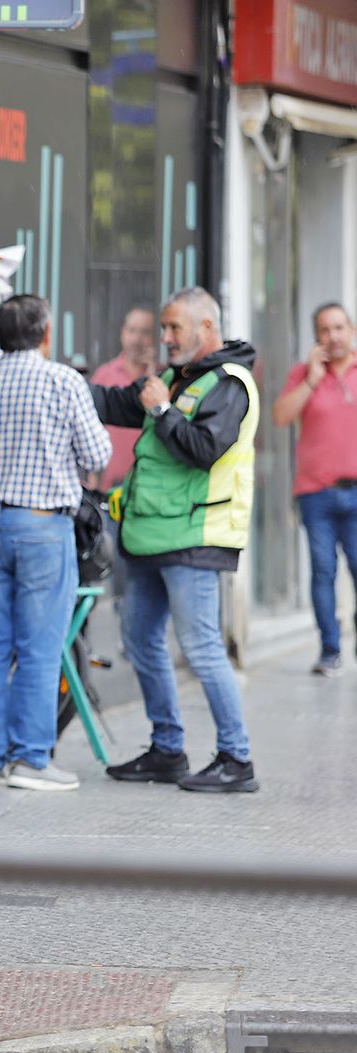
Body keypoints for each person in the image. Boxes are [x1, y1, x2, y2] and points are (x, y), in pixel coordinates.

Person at [0, 294, 111, 793]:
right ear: (46, 334)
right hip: (41, 525)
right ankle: (31, 760)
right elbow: (97, 451)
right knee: (39, 646)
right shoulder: (62, 381)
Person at [91, 287, 260, 794]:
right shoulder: (171, 378)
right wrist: (56, 378)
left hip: (196, 536)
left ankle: (237, 758)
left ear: (206, 329)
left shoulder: (230, 384)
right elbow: (117, 402)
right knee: (141, 638)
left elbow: (204, 450)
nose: (164, 338)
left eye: (173, 328)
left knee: (203, 647)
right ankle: (168, 749)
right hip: (150, 534)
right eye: (163, 328)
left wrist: (164, 412)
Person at [270, 302, 357, 677]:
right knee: (323, 572)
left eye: (339, 328)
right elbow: (280, 417)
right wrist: (310, 379)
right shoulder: (303, 374)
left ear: (351, 330)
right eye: (325, 329)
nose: (333, 336)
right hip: (315, 493)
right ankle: (330, 651)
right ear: (316, 336)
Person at [88, 306, 157, 489]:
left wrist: (152, 373)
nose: (136, 339)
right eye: (132, 330)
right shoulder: (105, 375)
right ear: (122, 333)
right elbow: (91, 427)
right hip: (111, 482)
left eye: (144, 332)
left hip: (150, 483)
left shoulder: (161, 377)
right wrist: (92, 477)